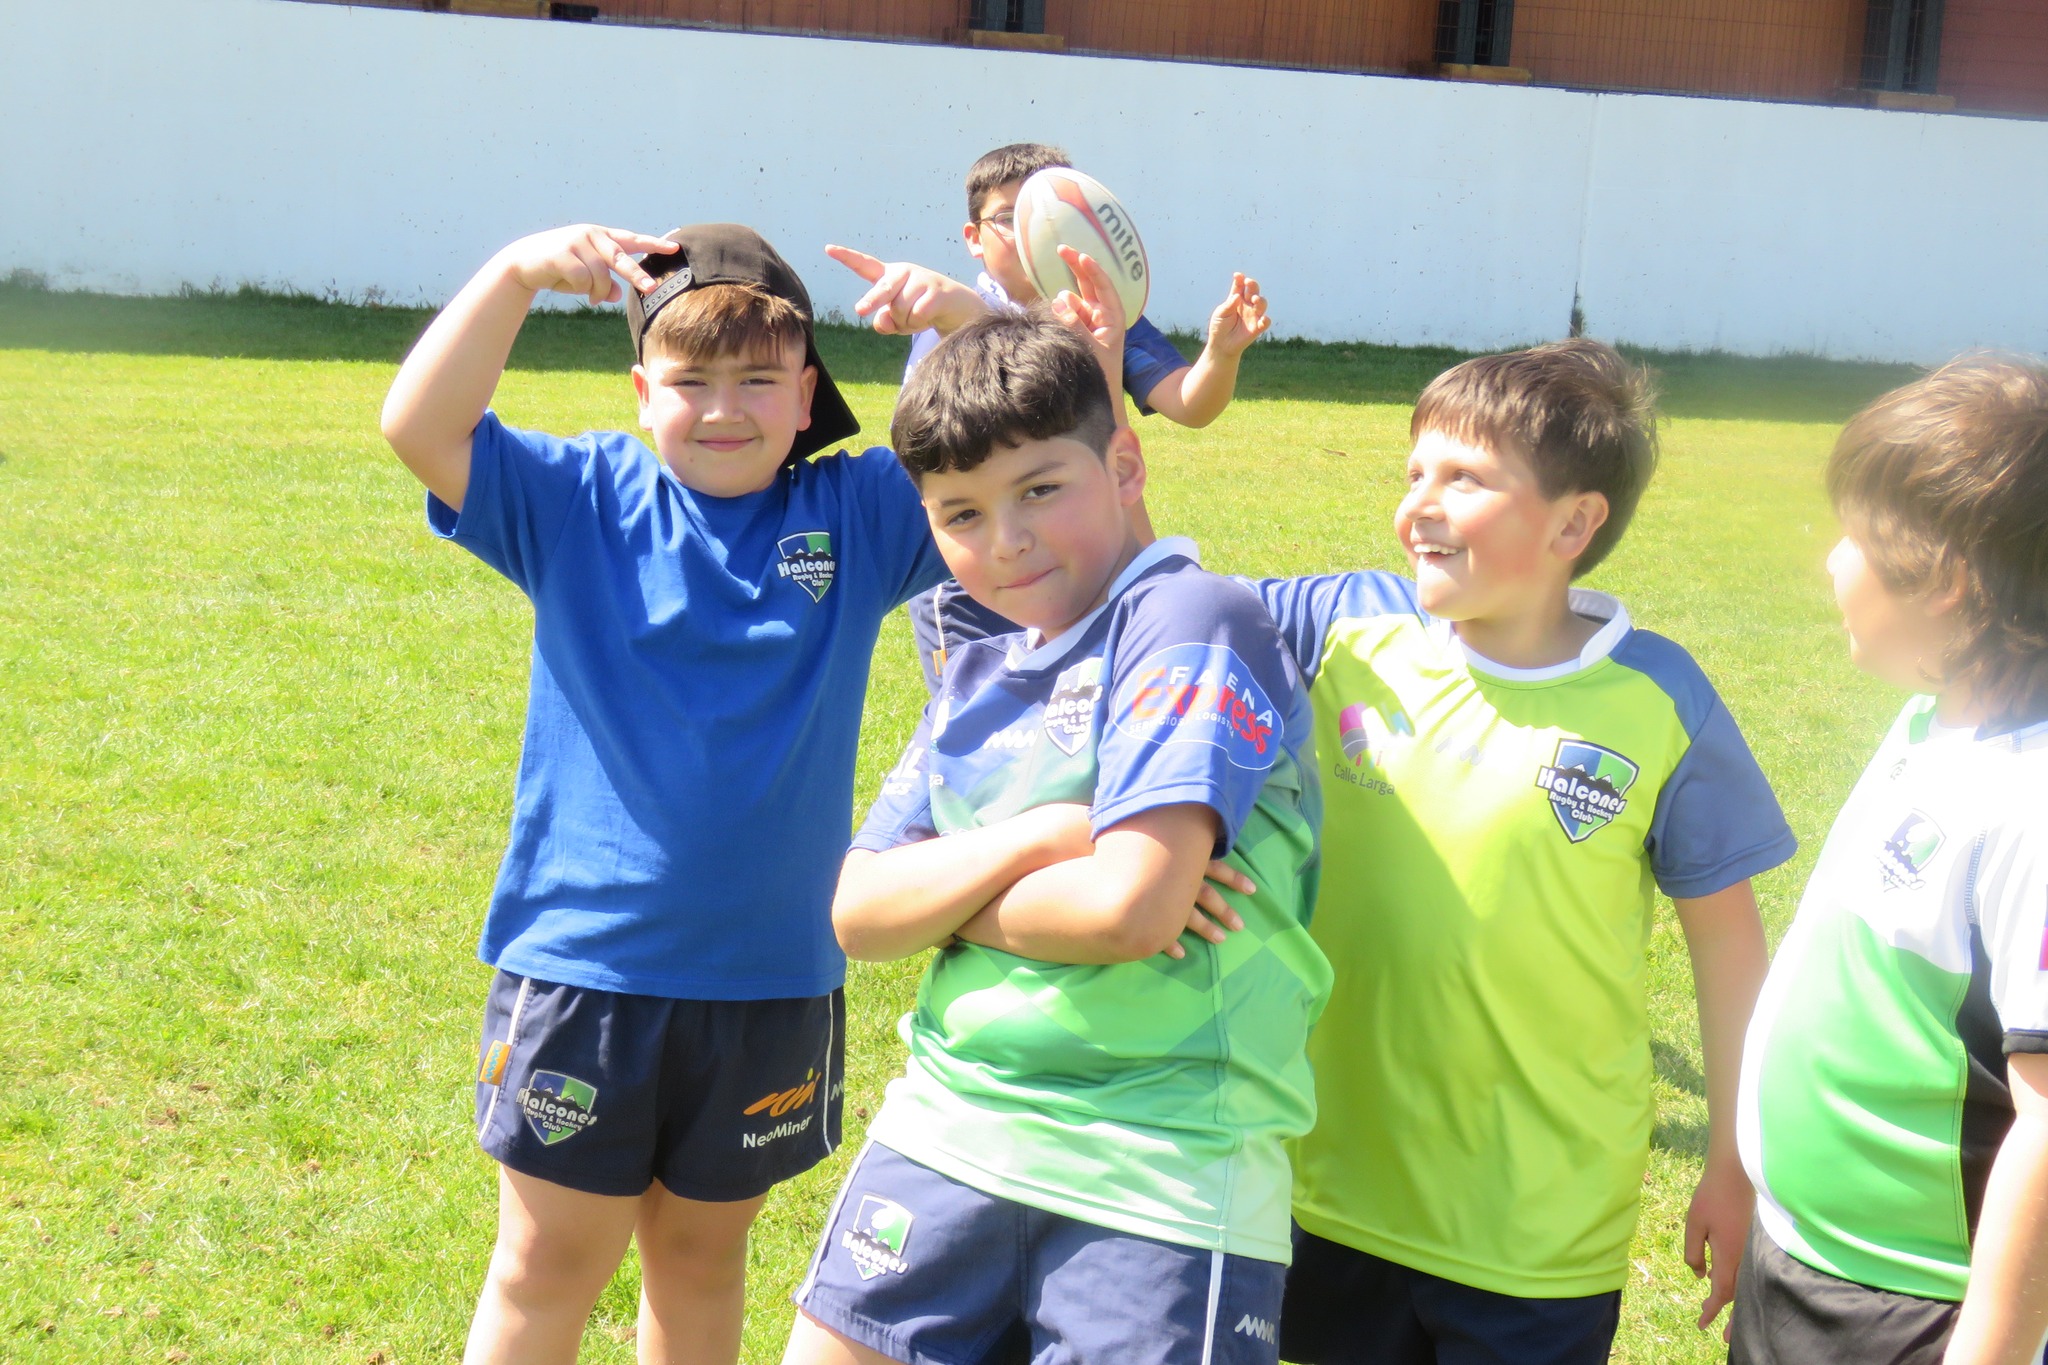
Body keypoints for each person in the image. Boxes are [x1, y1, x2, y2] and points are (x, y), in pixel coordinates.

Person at [377, 221, 948, 1365]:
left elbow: (1034, 432)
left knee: (699, 1261)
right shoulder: (578, 499)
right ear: (643, 393)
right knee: (545, 1266)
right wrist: (517, 273)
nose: (724, 409)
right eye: (690, 381)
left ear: (806, 396)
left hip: (771, 979)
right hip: (589, 969)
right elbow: (418, 426)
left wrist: (962, 316)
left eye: (758, 381)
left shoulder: (855, 516)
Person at [779, 306, 1331, 1365]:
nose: (1006, 540)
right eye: (961, 512)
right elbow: (858, 914)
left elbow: (1128, 909)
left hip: (1163, 1166)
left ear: (1124, 463)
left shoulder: (1187, 618)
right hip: (946, 1128)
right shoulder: (978, 673)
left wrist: (948, 903)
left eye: (1038, 489)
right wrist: (1043, 835)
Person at [1244, 340, 1796, 1364]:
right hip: (1332, 1190)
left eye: (1464, 478)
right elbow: (1151, 595)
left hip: (1539, 1228)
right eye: (1414, 471)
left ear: (1572, 524)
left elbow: (1728, 951)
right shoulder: (1342, 631)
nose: (1420, 503)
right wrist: (1104, 367)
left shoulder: (1658, 698)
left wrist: (1730, 1159)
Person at [1729, 356, 2048, 1365]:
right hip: (1800, 1260)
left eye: (1855, 539)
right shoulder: (1931, 721)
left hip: (1912, 1313)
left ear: (1944, 576)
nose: (1830, 560)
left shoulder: (2031, 801)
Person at [825, 141, 1273, 692]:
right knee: (984, 717)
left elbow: (1189, 403)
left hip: (1070, 554)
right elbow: (996, 368)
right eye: (1008, 219)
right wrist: (954, 309)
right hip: (975, 580)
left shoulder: (1102, 309)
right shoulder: (946, 317)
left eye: (1043, 217)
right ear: (973, 238)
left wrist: (1221, 355)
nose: (1027, 233)